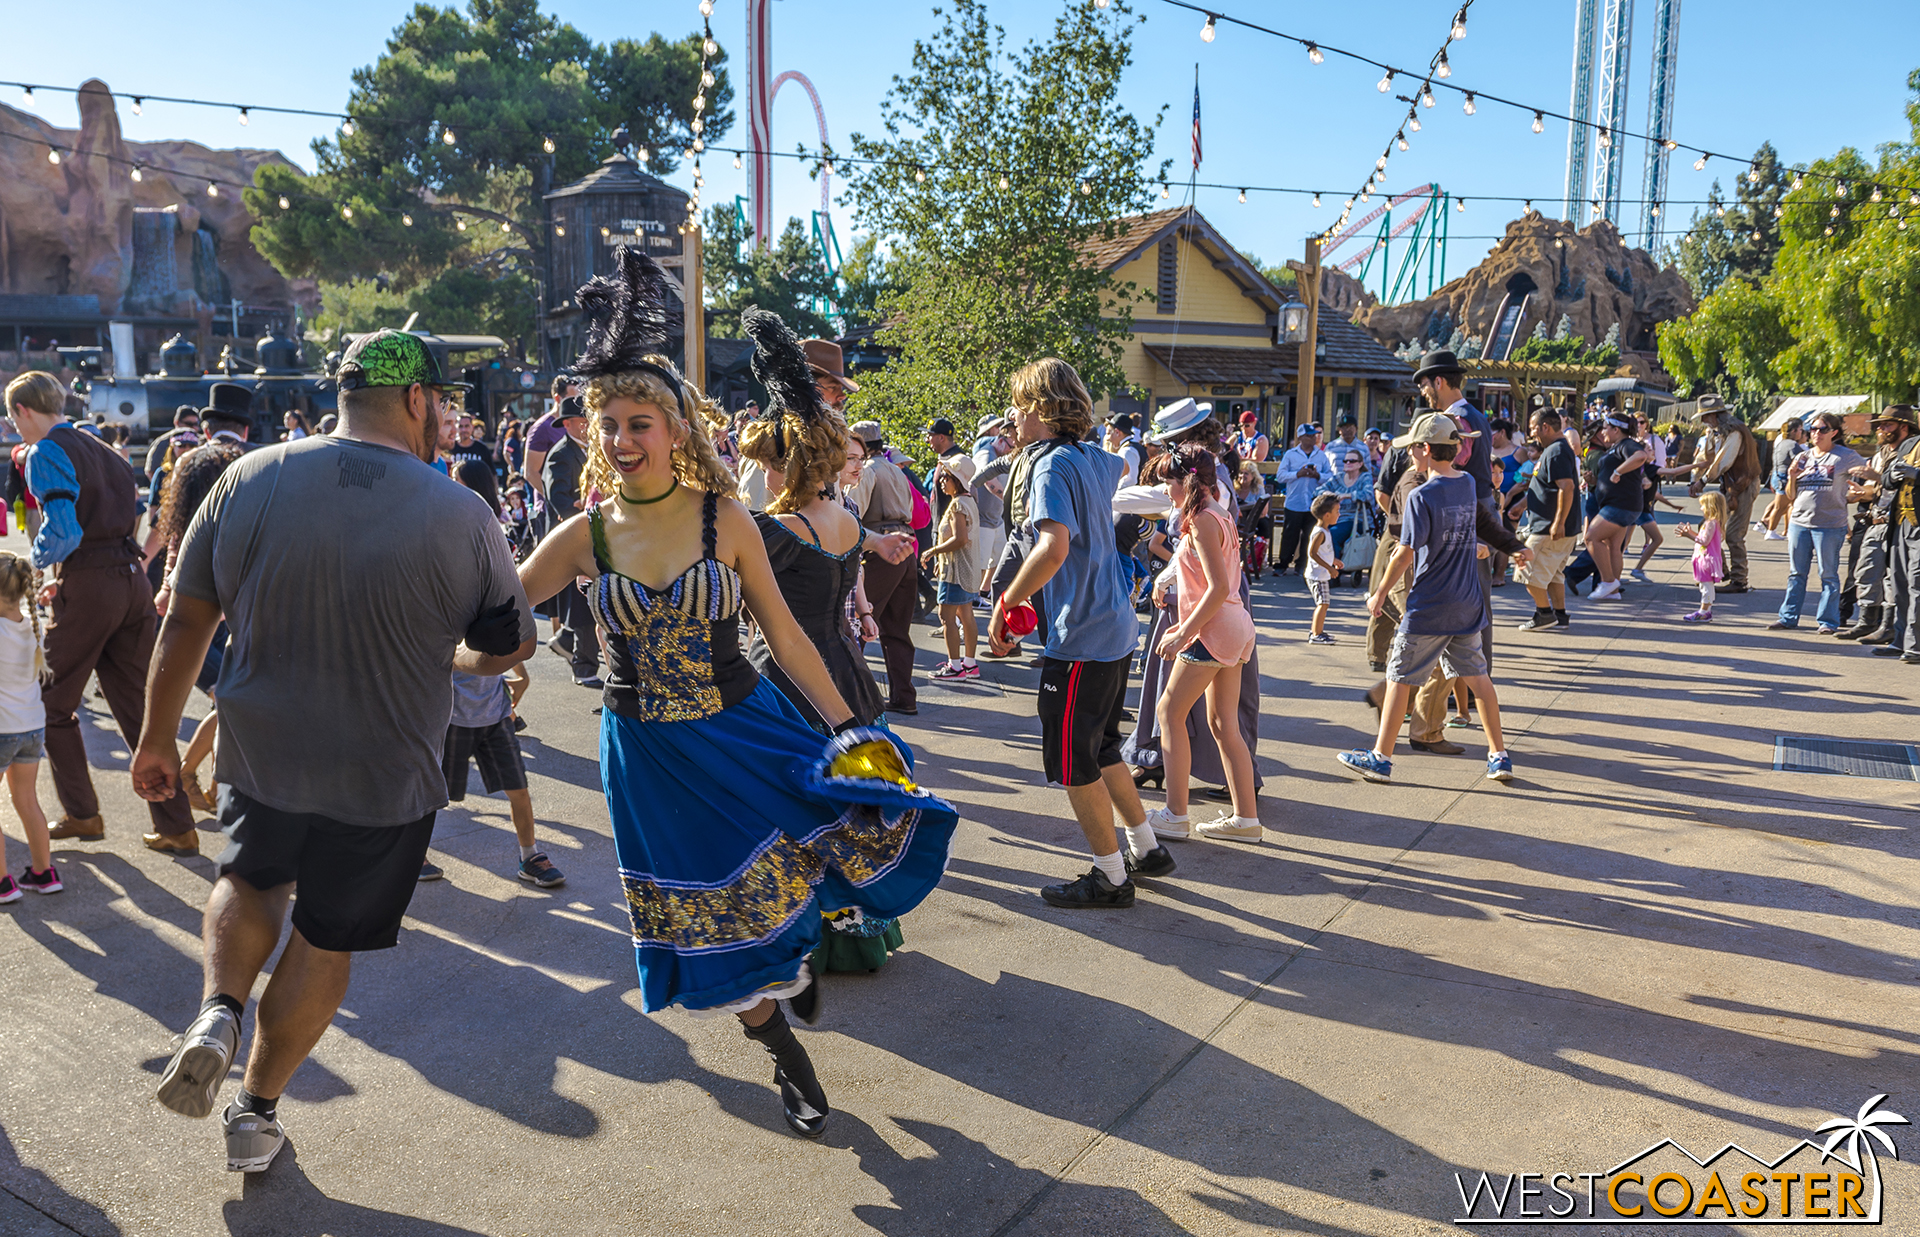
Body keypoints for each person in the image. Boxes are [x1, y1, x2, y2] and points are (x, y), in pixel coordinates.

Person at [516, 252, 957, 1137]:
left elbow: (789, 638)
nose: (624, 437)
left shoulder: (731, 522)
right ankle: (782, 1050)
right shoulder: (580, 535)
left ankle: (794, 968)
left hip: (744, 724)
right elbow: (495, 619)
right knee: (702, 917)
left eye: (640, 420)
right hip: (645, 756)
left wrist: (847, 731)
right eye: (608, 422)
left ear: (677, 428)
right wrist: (444, 657)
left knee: (806, 854)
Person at [136, 327, 535, 1173]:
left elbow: (185, 618)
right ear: (419, 400)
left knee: (247, 882)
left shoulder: (248, 477)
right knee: (324, 939)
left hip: (264, 746)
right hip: (386, 771)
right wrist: (460, 657)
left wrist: (155, 739)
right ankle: (254, 1111)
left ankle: (215, 1007)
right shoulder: (461, 511)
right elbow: (505, 641)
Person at [988, 357, 1168, 907]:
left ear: (1041, 410)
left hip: (1080, 635)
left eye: (1019, 407)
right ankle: (1146, 846)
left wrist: (1006, 602)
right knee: (1106, 744)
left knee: (1074, 763)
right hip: (1115, 627)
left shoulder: (1046, 465)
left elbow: (1053, 545)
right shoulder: (1097, 458)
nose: (1011, 418)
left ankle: (1110, 875)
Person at [0, 372, 198, 851]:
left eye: (12, 419)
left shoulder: (46, 451)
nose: (14, 429)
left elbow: (63, 532)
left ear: (23, 411)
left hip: (89, 582)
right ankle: (177, 826)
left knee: (51, 703)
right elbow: (135, 515)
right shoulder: (106, 449)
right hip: (129, 579)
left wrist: (32, 564)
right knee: (138, 707)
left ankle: (82, 814)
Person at [1338, 411, 1528, 785]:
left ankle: (1381, 758)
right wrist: (1515, 545)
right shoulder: (1469, 483)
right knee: (1480, 680)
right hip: (1467, 601)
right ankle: (1499, 756)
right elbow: (1482, 524)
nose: (1410, 455)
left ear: (1426, 449)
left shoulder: (1421, 495)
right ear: (1455, 449)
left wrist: (1377, 593)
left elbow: (1404, 552)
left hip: (1430, 604)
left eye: (1414, 449)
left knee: (1398, 678)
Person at [1140, 444, 1261, 843]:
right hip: (1234, 626)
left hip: (1215, 627)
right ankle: (1246, 819)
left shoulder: (1202, 520)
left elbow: (1217, 587)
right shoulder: (1217, 512)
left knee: (1169, 711)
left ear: (1185, 481)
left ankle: (1175, 815)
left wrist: (1182, 632)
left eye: (1168, 484)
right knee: (1224, 724)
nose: (1165, 492)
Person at [850, 420, 923, 713]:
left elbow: (853, 510)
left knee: (859, 621)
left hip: (882, 549)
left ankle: (852, 694)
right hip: (907, 547)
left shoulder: (868, 471)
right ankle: (904, 696)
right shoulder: (896, 470)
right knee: (898, 628)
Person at [1771, 411, 1863, 634]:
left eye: (1821, 429)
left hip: (1830, 525)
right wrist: (1792, 477)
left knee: (1828, 575)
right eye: (1811, 429)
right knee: (1796, 574)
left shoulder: (1846, 456)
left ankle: (1828, 622)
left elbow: (1867, 473)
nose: (1815, 433)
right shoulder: (1803, 456)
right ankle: (1788, 617)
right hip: (1800, 523)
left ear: (1833, 432)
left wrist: (1857, 492)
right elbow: (1790, 495)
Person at [0, 551, 57, 903]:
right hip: (32, 727)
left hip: (2, 727)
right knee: (27, 799)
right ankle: (43, 873)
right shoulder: (32, 624)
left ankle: (4, 883)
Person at [1664, 393, 1761, 594]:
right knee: (1706, 526)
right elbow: (1705, 459)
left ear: (1716, 416)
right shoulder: (1716, 433)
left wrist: (1702, 482)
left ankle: (1739, 580)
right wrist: (1694, 481)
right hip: (1730, 486)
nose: (1703, 421)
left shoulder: (1735, 432)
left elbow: (1721, 462)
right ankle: (1723, 572)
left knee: (1734, 534)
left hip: (1744, 484)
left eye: (1705, 416)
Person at [542, 397, 602, 688]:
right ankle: (583, 665)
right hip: (572, 533)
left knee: (583, 601)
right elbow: (559, 498)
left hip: (586, 530)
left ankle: (567, 642)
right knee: (581, 600)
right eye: (582, 421)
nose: (588, 426)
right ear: (567, 424)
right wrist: (580, 511)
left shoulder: (587, 449)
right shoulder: (561, 454)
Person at [1845, 406, 1917, 644]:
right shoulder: (1881, 454)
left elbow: (1897, 485)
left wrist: (1876, 478)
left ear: (1903, 427)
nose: (1880, 429)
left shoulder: (1912, 452)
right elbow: (1876, 491)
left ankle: (1890, 627)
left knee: (1894, 579)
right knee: (1865, 571)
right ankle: (1866, 622)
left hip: (1899, 521)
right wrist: (1860, 493)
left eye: (1886, 425)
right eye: (1879, 425)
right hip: (1876, 519)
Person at [1514, 407, 1581, 631]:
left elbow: (1566, 487)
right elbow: (1545, 487)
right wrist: (1522, 505)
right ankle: (1560, 615)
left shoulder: (1556, 451)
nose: (1532, 435)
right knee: (1553, 574)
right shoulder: (1555, 450)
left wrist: (1558, 522)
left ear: (1546, 427)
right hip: (1552, 526)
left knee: (1526, 569)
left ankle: (1544, 614)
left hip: (1549, 528)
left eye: (1534, 429)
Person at [1865, 406, 1920, 660]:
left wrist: (1917, 475)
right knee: (1899, 585)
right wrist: (1893, 475)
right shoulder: (1910, 444)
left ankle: (1915, 645)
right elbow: (1886, 479)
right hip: (1900, 524)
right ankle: (1900, 640)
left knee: (1917, 586)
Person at [1582, 413, 1650, 601]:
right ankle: (1613, 591)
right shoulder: (1615, 448)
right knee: (1613, 546)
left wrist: (1617, 471)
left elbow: (1640, 455)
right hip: (1619, 503)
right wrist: (1595, 480)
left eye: (1605, 428)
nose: (1602, 431)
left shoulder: (1626, 444)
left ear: (1616, 429)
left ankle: (1608, 581)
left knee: (1591, 537)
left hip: (1620, 505)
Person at [924, 464, 983, 680]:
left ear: (957, 480)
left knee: (946, 616)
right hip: (966, 570)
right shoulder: (968, 501)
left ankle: (955, 667)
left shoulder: (958, 504)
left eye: (945, 477)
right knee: (966, 615)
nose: (941, 481)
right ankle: (970, 664)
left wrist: (933, 551)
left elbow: (960, 539)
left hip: (956, 573)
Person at [1274, 423, 1324, 573]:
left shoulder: (1321, 455)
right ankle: (1283, 563)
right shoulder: (1290, 454)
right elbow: (1280, 476)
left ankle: (1302, 564)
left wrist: (1318, 476)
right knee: (1290, 534)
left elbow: (1330, 476)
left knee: (1309, 535)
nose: (1313, 438)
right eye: (1309, 436)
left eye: (1314, 435)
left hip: (1313, 502)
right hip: (1294, 502)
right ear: (1300, 437)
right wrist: (1297, 474)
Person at [1316, 446, 1372, 566]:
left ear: (1360, 464)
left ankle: (1335, 571)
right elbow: (1318, 491)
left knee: (1332, 536)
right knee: (1318, 534)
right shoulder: (1338, 477)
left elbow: (1368, 495)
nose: (1348, 463)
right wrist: (1327, 493)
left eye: (1352, 461)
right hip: (1336, 519)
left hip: (1356, 520)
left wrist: (1347, 495)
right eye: (1345, 461)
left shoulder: (1364, 477)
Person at [1676, 491, 1726, 623]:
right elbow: (1704, 538)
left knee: (1706, 586)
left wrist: (1689, 535)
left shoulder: (1711, 523)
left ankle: (1704, 612)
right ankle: (1705, 610)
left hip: (1706, 559)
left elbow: (1705, 541)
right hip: (1705, 558)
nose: (1701, 508)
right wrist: (1691, 533)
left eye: (1703, 505)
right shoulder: (1714, 523)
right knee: (1705, 585)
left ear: (1711, 507)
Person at [1304, 493, 1342, 645]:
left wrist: (1333, 561)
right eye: (1337, 511)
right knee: (1323, 604)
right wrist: (1329, 568)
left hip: (1321, 574)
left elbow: (1322, 552)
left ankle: (1317, 630)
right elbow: (1312, 553)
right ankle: (1316, 634)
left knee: (1324, 603)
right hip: (1317, 575)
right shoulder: (1320, 532)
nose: (1339, 514)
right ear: (1327, 515)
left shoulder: (1325, 530)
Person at [1762, 420, 1807, 540]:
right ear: (1793, 431)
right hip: (1784, 477)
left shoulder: (1781, 443)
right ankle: (1771, 530)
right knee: (1780, 507)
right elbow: (1800, 459)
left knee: (1784, 506)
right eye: (1800, 430)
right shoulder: (1792, 445)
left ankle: (1778, 529)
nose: (1801, 433)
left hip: (1776, 475)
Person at [1105, 413, 1144, 488]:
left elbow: (1129, 481)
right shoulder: (1130, 447)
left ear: (1117, 432)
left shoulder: (1127, 451)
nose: (1108, 438)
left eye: (1109, 433)